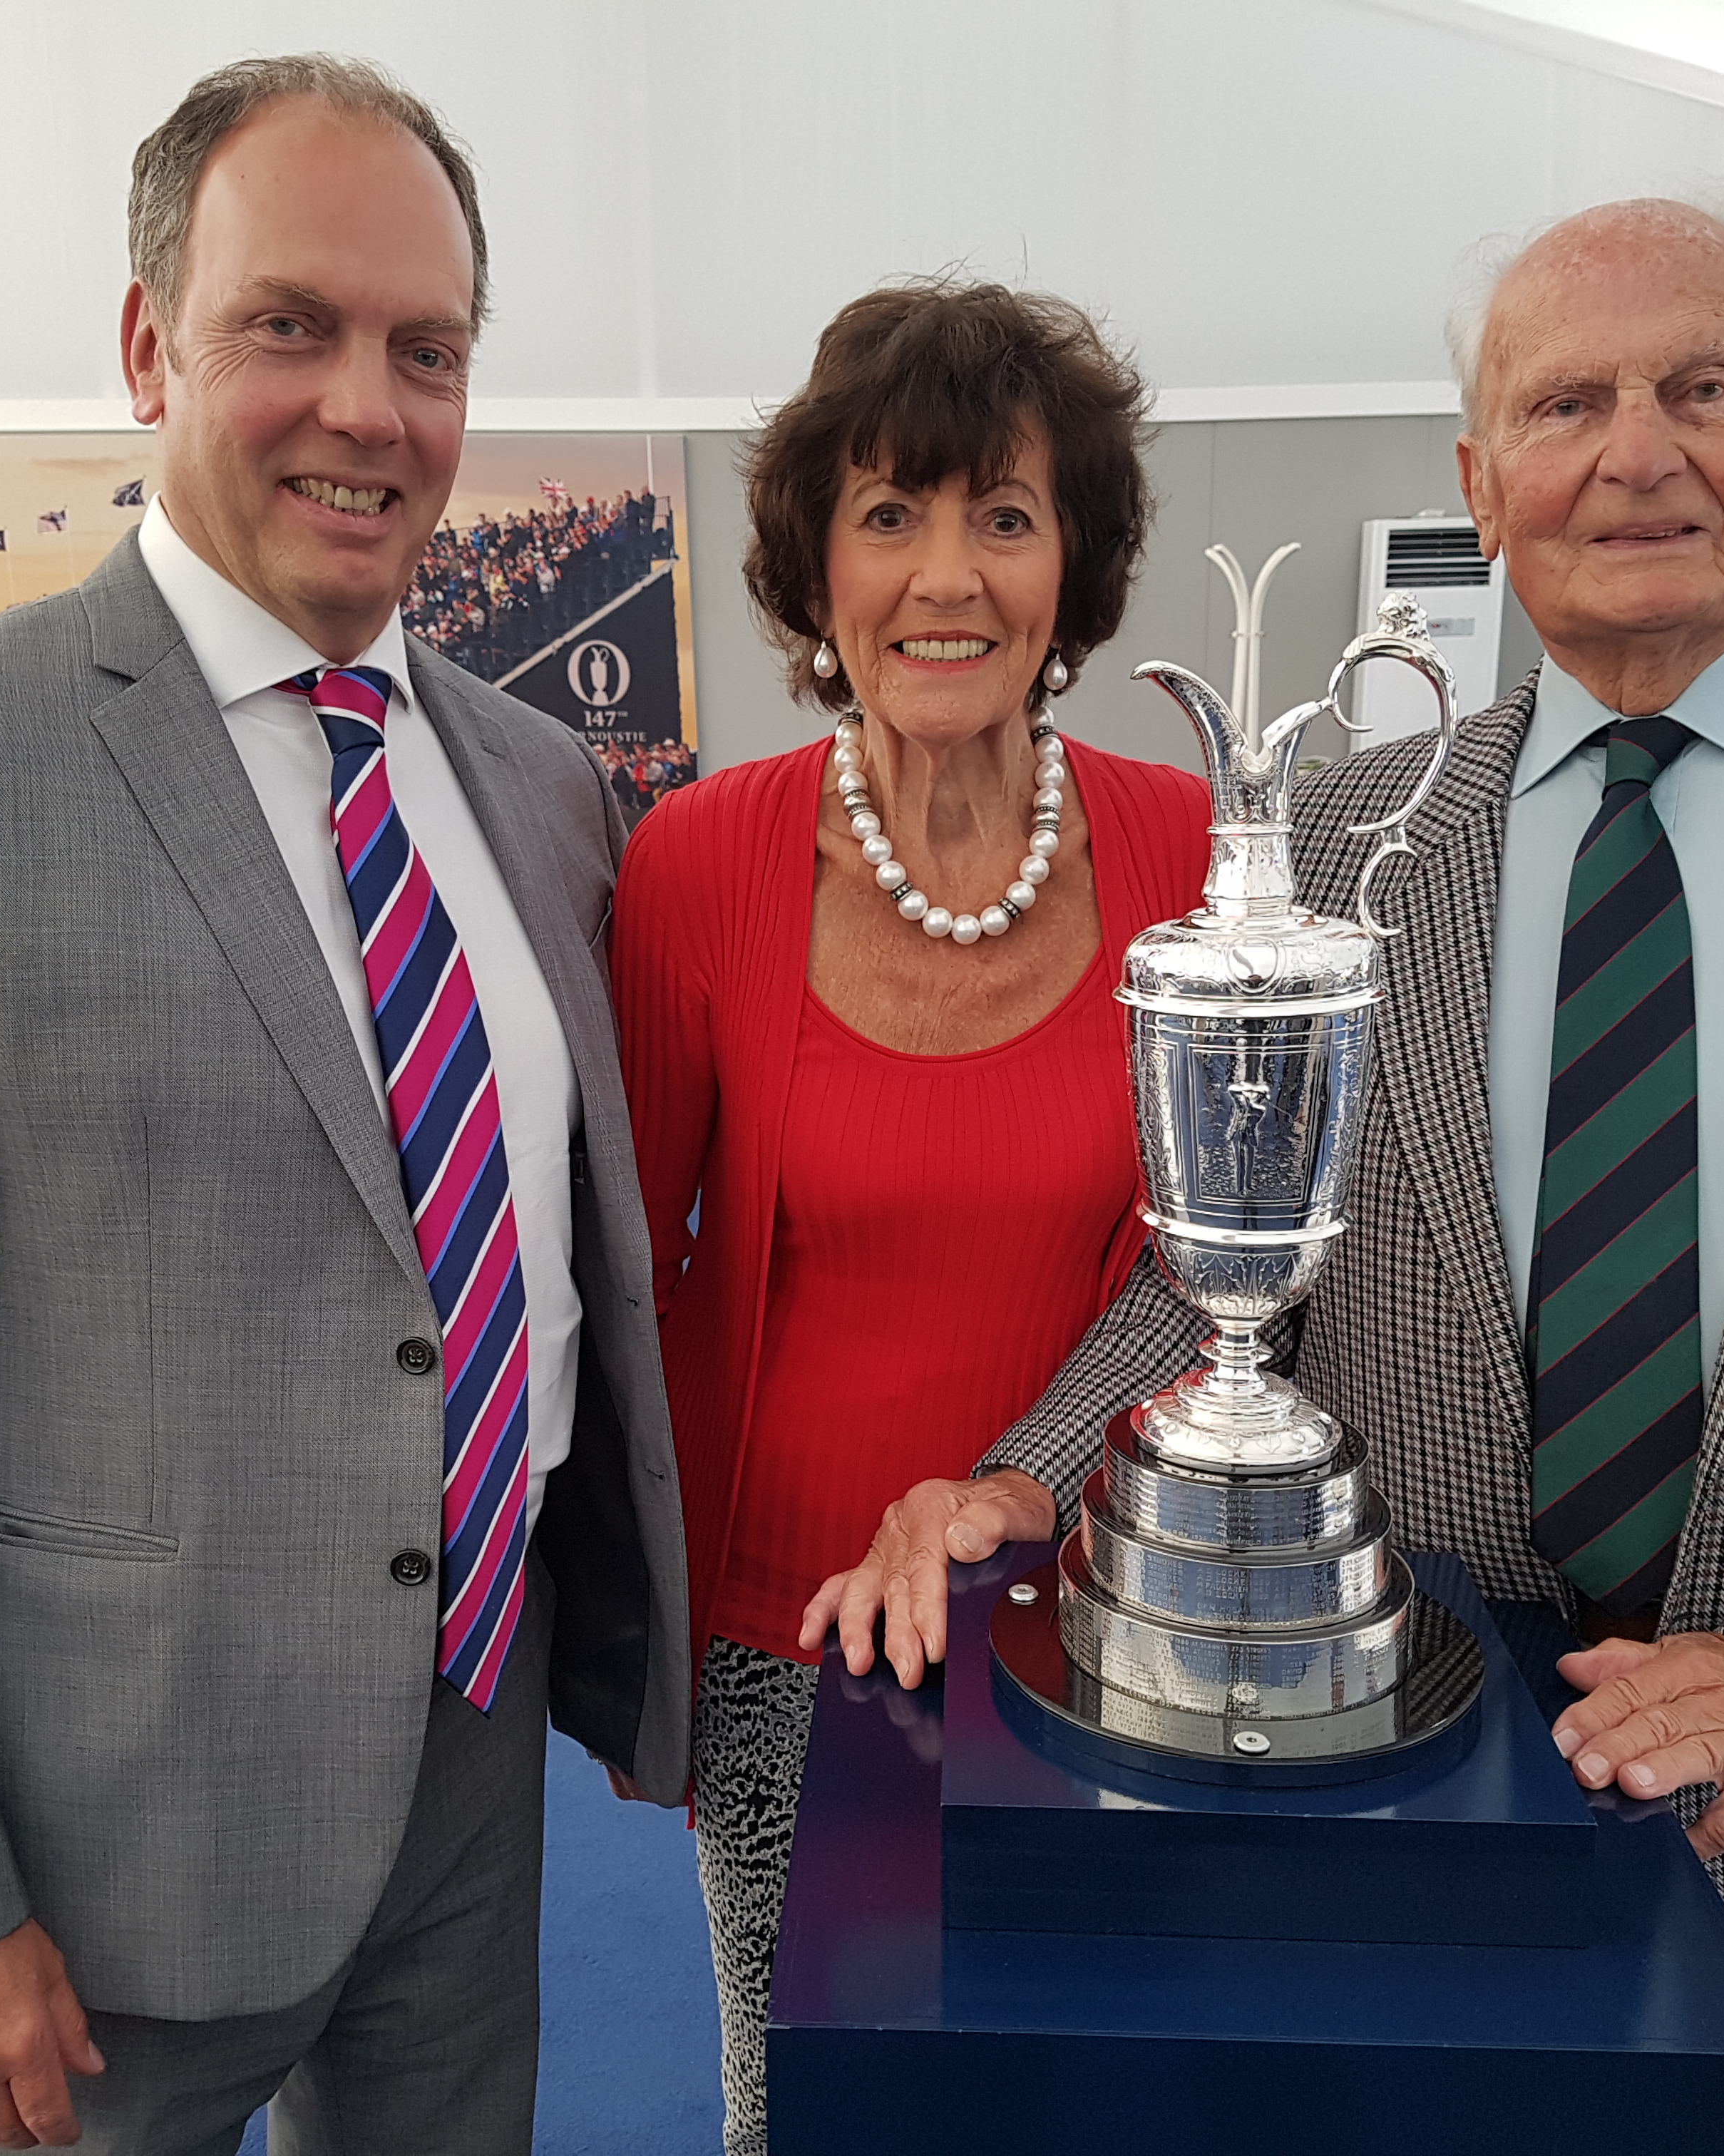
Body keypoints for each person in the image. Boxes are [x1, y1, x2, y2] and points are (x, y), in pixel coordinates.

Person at [811, 198, 1724, 2156]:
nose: (1638, 450)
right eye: (1568, 402)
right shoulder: (1346, 829)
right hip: (1383, 1839)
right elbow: (1229, 1269)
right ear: (1483, 478)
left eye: (1700, 387)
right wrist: (1032, 1476)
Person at [0, 53, 688, 2155]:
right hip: (95, 1855)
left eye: (428, 350)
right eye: (291, 326)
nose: (370, 406)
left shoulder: (534, 784)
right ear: (149, 342)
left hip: (466, 1768)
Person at [609, 279, 1209, 2156]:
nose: (948, 576)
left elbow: (1230, 1272)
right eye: (890, 514)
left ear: (1075, 570)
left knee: (1102, 2090)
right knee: (818, 2106)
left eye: (1004, 517)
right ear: (812, 568)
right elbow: (624, 1273)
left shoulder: (1194, 851)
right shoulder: (700, 861)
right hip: (795, 1647)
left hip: (1123, 1622)